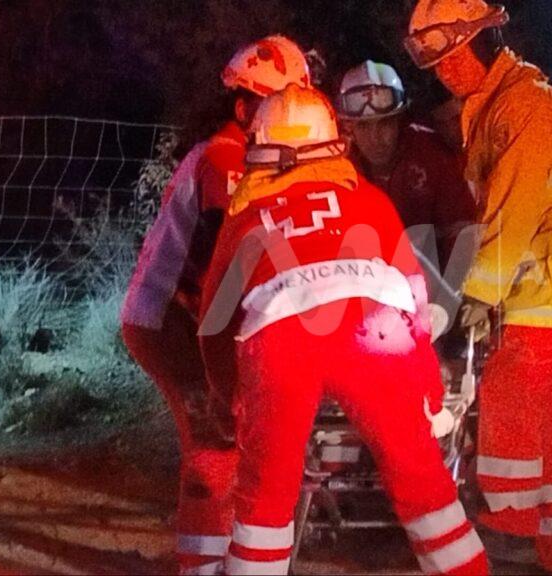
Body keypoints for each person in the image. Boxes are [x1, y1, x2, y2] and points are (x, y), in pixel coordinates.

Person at [197, 84, 488, 576]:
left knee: (265, 502)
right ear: (334, 143)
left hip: (280, 337)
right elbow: (413, 298)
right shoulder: (368, 199)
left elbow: (214, 324)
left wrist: (228, 401)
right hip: (378, 329)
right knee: (427, 489)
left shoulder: (245, 216)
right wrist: (430, 396)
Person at [405, 2, 552, 573]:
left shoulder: (519, 107)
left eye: (453, 57)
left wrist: (477, 296)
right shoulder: (513, 102)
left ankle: (509, 529)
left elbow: (512, 212)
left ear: (482, 41)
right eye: (437, 65)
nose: (446, 72)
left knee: (510, 389)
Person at [120, 35, 311, 575]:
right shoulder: (228, 160)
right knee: (214, 441)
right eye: (277, 104)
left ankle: (215, 556)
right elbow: (217, 270)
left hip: (185, 313)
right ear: (246, 107)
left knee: (228, 435)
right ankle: (202, 566)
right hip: (173, 318)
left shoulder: (238, 155)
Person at [335, 60, 476, 272]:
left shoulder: (433, 156)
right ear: (349, 128)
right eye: (363, 126)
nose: (375, 138)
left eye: (385, 123)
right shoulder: (339, 171)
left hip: (436, 280)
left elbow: (463, 235)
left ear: (399, 120)